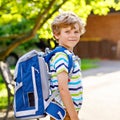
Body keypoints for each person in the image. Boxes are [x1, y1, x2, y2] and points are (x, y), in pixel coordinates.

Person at [49, 11, 85, 120]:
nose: (73, 35)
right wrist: (74, 116)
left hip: (66, 111)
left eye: (76, 31)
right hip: (64, 112)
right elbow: (63, 88)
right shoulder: (61, 56)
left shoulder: (67, 54)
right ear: (56, 34)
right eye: (67, 31)